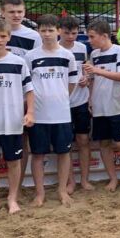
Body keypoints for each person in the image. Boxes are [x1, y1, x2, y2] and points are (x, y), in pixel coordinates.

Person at [0, 0, 42, 207]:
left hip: (19, 100)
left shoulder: (32, 37)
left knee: (19, 149)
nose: (16, 15)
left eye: (19, 11)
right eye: (11, 12)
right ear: (2, 12)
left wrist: (29, 107)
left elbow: (34, 71)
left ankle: (16, 193)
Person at [24, 14, 78, 207]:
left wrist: (60, 97)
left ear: (58, 31)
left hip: (61, 114)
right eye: (43, 30)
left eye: (50, 30)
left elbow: (72, 83)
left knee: (64, 153)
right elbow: (27, 86)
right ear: (38, 31)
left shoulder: (67, 55)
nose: (47, 34)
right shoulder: (30, 56)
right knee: (38, 155)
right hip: (38, 115)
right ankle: (40, 193)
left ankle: (62, 190)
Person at [85, 19, 120, 192]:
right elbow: (93, 79)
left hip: (117, 104)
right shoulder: (94, 54)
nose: (89, 40)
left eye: (92, 36)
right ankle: (113, 179)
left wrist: (97, 70)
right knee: (104, 143)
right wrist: (90, 98)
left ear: (104, 36)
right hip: (100, 105)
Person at [59, 16, 93, 193]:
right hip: (61, 103)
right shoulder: (54, 49)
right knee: (66, 144)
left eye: (74, 33)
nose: (71, 36)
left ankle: (85, 180)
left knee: (83, 140)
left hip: (81, 100)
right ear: (59, 31)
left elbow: (86, 69)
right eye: (67, 33)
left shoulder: (82, 47)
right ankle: (70, 181)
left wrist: (86, 78)